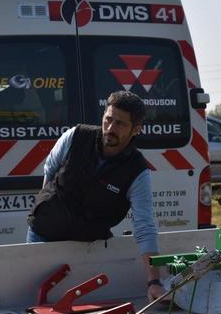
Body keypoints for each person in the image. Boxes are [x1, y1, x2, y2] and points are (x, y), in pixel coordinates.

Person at [26, 90, 166, 301]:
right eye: (108, 119)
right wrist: (46, 208)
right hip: (42, 237)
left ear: (136, 129)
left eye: (120, 124)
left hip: (88, 249)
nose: (110, 128)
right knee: (34, 303)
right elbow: (50, 169)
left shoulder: (137, 172)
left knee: (79, 307)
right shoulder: (75, 136)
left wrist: (154, 282)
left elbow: (144, 227)